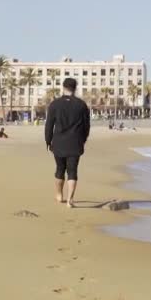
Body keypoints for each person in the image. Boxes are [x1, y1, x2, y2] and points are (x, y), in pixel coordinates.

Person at [45, 78, 90, 208]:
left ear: (63, 87)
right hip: (75, 142)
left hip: (58, 142)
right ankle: (70, 200)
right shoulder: (81, 105)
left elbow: (49, 125)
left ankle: (59, 195)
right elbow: (87, 126)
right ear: (75, 88)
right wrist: (84, 139)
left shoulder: (55, 104)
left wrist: (48, 141)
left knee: (60, 169)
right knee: (72, 170)